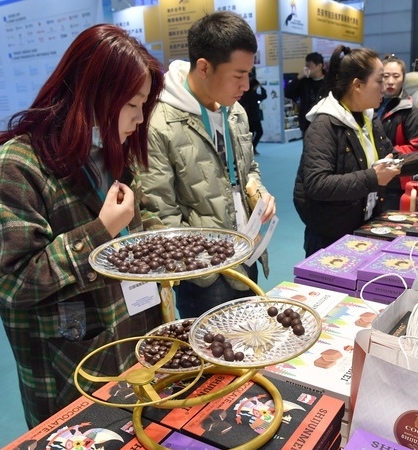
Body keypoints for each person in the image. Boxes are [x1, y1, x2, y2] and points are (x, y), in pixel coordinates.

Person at [0, 24, 165, 428]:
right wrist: (99, 233)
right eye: (132, 104)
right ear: (93, 93)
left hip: (136, 336)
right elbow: (12, 282)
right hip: (70, 365)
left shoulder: (113, 151)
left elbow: (137, 220)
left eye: (143, 105)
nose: (139, 118)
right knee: (86, 445)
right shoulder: (19, 166)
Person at [139, 11, 276, 320]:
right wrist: (207, 260)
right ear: (204, 67)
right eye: (238, 75)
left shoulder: (235, 111)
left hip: (247, 252)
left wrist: (260, 191)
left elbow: (248, 169)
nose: (246, 85)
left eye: (249, 74)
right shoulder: (160, 124)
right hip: (205, 275)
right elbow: (160, 215)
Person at [293, 45, 418, 257]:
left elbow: (393, 160)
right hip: (330, 239)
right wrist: (373, 177)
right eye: (380, 80)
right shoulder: (324, 126)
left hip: (361, 228)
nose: (385, 86)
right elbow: (317, 184)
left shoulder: (368, 120)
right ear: (358, 85)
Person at [377, 55, 418, 211]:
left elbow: (417, 148)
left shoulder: (411, 111)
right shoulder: (370, 106)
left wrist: (383, 154)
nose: (390, 81)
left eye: (396, 76)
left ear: (403, 78)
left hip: (396, 181)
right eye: (385, 76)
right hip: (372, 178)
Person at [284, 52, 325, 135]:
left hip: (325, 123)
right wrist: (298, 78)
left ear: (319, 66)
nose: (306, 68)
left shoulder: (329, 82)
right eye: (306, 66)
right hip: (307, 124)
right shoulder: (304, 82)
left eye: (309, 66)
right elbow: (287, 93)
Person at [239, 77, 267, 155]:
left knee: (251, 134)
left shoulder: (244, 95)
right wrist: (262, 87)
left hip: (247, 117)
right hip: (255, 117)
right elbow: (264, 96)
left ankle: (249, 149)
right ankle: (253, 147)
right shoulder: (254, 95)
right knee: (259, 132)